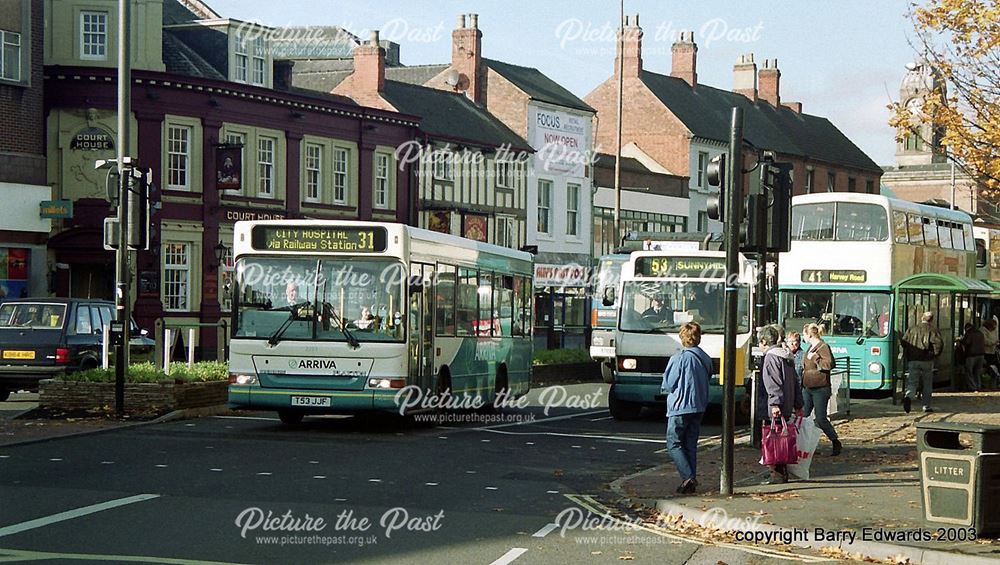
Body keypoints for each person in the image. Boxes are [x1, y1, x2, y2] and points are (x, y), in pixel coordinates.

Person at [661, 322, 712, 494]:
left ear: (682, 337)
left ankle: (688, 477)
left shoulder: (679, 358)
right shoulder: (705, 357)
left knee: (673, 443)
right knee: (690, 444)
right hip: (699, 405)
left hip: (679, 406)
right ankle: (690, 479)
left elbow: (669, 383)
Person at [756, 324, 804, 484]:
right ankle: (781, 473)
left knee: (773, 439)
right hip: (788, 402)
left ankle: (776, 474)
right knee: (782, 438)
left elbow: (773, 383)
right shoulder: (787, 356)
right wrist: (798, 404)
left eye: (759, 343)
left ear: (764, 342)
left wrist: (774, 403)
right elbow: (795, 382)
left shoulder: (771, 357)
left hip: (775, 406)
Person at [801, 323, 842, 456]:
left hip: (820, 388)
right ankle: (805, 446)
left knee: (820, 418)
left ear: (809, 334)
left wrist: (816, 358)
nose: (803, 337)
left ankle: (835, 441)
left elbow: (829, 364)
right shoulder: (809, 347)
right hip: (807, 386)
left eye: (804, 334)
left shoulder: (823, 347)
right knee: (804, 417)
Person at [900, 311, 944, 413]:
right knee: (927, 384)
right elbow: (939, 344)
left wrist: (909, 353)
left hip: (913, 359)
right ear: (932, 320)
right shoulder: (933, 330)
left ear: (921, 318)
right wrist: (934, 355)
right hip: (927, 360)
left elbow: (904, 342)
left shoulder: (912, 328)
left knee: (912, 382)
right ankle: (926, 406)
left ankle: (909, 396)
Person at [961, 322, 985, 392]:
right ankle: (978, 386)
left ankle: (973, 387)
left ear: (966, 328)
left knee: (969, 372)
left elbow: (967, 342)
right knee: (977, 372)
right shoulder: (980, 333)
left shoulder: (969, 333)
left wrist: (962, 341)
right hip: (981, 355)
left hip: (971, 355)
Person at [983, 317, 999, 388]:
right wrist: (994, 342)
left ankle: (992, 383)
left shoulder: (992, 331)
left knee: (993, 368)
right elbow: (985, 341)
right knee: (989, 367)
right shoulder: (983, 331)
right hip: (986, 352)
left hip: (992, 351)